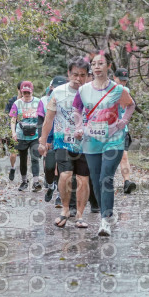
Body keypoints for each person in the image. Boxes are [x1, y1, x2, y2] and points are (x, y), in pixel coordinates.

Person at [73, 51, 135, 236]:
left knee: (105, 178)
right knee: (96, 179)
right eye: (94, 64)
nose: (97, 67)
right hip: (91, 139)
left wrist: (124, 121)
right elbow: (77, 109)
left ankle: (104, 221)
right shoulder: (83, 90)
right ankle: (108, 213)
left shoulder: (117, 89)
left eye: (101, 63)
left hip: (113, 139)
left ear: (108, 66)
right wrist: (78, 127)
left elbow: (130, 105)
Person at [39, 57, 92, 228]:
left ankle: (80, 215)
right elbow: (48, 119)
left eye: (82, 75)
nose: (78, 79)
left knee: (83, 178)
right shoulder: (58, 92)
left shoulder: (92, 93)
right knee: (65, 175)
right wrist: (43, 141)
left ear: (87, 76)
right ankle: (65, 210)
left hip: (86, 143)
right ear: (69, 74)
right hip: (62, 141)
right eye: (75, 74)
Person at [37, 75, 68, 202]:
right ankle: (51, 186)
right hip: (51, 138)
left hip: (65, 140)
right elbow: (47, 121)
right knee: (49, 167)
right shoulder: (46, 100)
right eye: (56, 87)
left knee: (62, 167)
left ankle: (61, 194)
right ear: (51, 87)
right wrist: (45, 140)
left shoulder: (72, 99)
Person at [9, 81, 41, 191]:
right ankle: (24, 181)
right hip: (21, 135)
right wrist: (13, 133)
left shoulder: (38, 102)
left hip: (35, 135)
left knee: (35, 158)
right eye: (24, 93)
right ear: (21, 92)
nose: (26, 95)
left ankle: (36, 182)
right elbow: (13, 119)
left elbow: (43, 118)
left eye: (28, 92)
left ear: (32, 91)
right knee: (23, 159)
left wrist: (42, 133)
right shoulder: (17, 103)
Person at [113, 68, 137, 194]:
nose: (122, 83)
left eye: (125, 81)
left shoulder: (125, 91)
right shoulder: (105, 90)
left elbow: (130, 106)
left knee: (124, 156)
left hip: (122, 130)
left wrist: (124, 121)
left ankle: (126, 182)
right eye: (120, 80)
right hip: (106, 130)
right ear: (114, 78)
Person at [3, 82, 21, 181]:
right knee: (13, 154)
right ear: (18, 90)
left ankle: (24, 174)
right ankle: (13, 167)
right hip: (13, 130)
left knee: (24, 154)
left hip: (25, 131)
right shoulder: (12, 101)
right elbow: (6, 115)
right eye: (21, 90)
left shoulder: (30, 102)